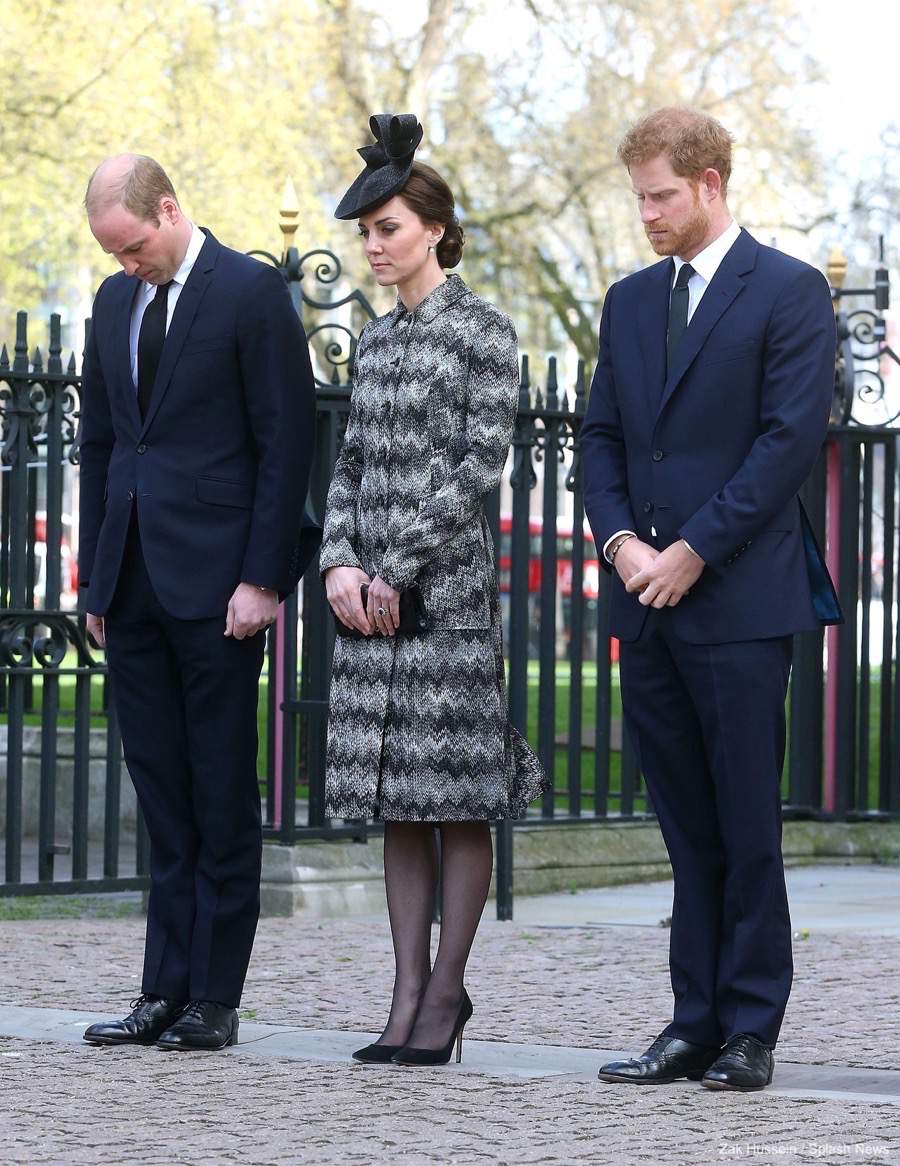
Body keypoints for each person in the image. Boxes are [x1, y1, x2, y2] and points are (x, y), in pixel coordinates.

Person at [580, 108, 840, 1092]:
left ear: (713, 182)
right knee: (684, 826)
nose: (645, 213)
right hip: (644, 598)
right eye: (638, 196)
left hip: (737, 601)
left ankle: (749, 1026)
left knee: (744, 823)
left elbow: (783, 447)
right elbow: (601, 438)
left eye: (661, 195)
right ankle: (691, 1019)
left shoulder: (789, 291)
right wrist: (622, 543)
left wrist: (691, 550)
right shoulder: (629, 299)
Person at [78, 154, 318, 1051]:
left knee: (219, 791)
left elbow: (284, 443)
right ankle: (160, 990)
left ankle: (215, 997)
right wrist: (96, 578)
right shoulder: (112, 303)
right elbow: (100, 445)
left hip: (220, 589)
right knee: (162, 795)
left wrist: (264, 577)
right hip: (132, 585)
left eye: (134, 246)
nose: (127, 265)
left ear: (170, 209)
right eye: (113, 253)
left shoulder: (250, 294)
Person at [321, 113, 546, 1066]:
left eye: (390, 230)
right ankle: (405, 992)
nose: (375, 248)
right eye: (366, 233)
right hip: (367, 606)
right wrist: (337, 562)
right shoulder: (370, 345)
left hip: (442, 604)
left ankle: (448, 991)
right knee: (396, 802)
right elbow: (350, 463)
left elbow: (473, 469)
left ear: (435, 230)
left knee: (454, 797)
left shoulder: (484, 332)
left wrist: (393, 567)